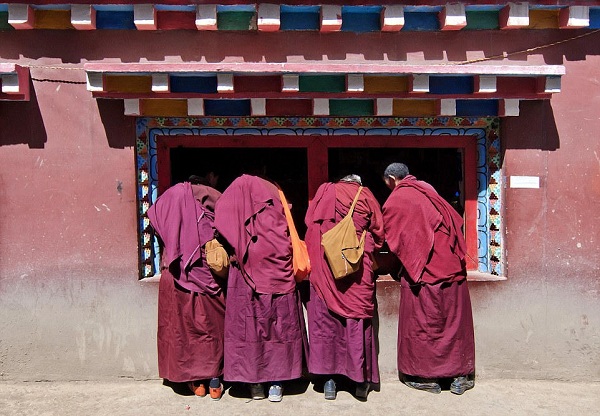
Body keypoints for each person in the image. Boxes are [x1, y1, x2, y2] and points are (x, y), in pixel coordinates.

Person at [381, 162, 475, 395]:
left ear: (391, 179)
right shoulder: (428, 189)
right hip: (451, 267)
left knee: (423, 324)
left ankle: (426, 377)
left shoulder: (397, 199)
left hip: (424, 272)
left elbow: (396, 240)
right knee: (454, 323)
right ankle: (460, 376)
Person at [214, 174, 307, 403]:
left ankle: (254, 384)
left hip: (246, 272)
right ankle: (277, 383)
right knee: (279, 327)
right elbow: (287, 230)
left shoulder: (238, 191)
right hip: (278, 269)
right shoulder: (276, 195)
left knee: (250, 327)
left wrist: (237, 244)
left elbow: (221, 219)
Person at [304, 174, 385, 400]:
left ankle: (329, 382)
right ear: (357, 183)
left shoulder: (325, 192)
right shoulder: (365, 195)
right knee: (357, 321)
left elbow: (310, 223)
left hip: (325, 267)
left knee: (327, 322)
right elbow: (379, 232)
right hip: (357, 266)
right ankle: (359, 382)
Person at [147, 180, 226, 400]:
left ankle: (195, 381)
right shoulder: (209, 196)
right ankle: (214, 380)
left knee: (182, 330)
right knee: (211, 327)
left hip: (175, 274)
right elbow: (227, 223)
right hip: (206, 274)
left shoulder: (166, 202)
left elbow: (157, 226)